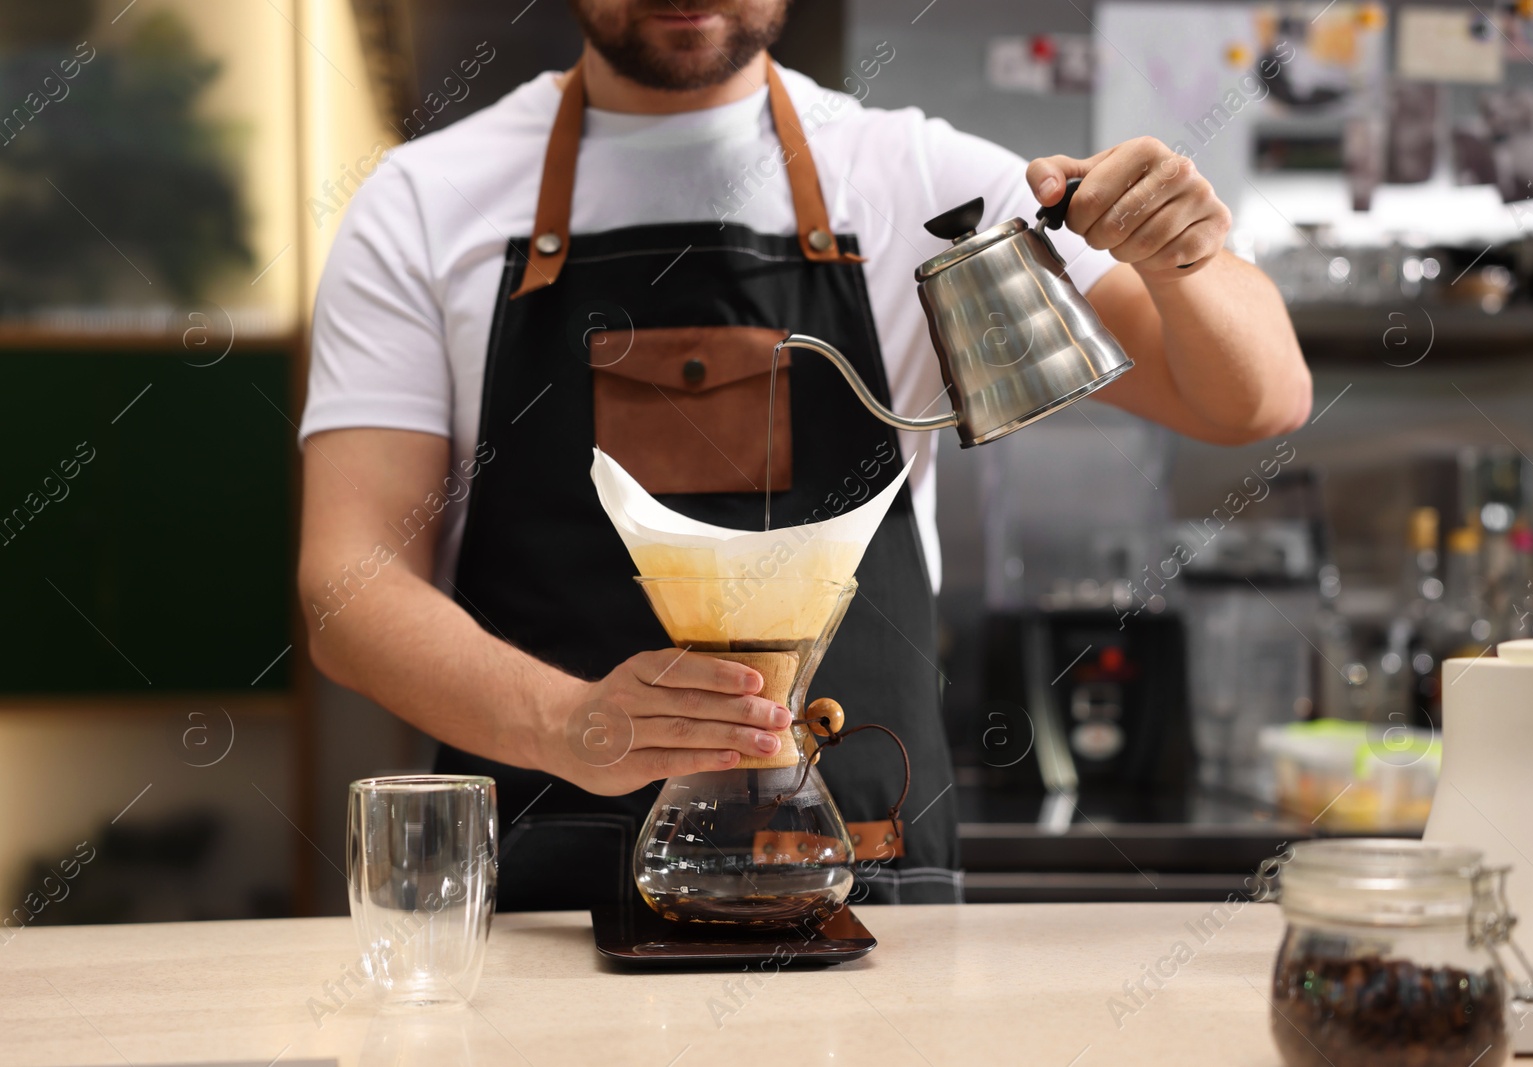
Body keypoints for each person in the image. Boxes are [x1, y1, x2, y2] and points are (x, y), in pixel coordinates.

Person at [299, 0, 1310, 908]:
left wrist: (1186, 260)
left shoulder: (917, 177)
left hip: (863, 878)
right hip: (538, 893)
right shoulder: (422, 201)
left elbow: (1254, 401)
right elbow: (349, 590)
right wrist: (571, 724)